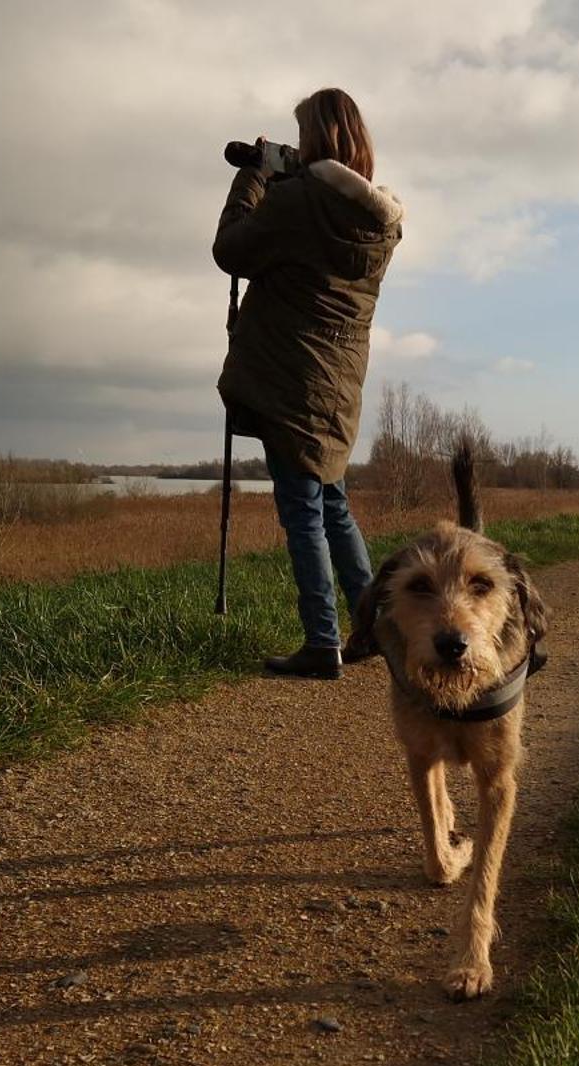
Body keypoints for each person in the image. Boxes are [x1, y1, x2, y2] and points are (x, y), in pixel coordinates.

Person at [214, 88, 404, 680]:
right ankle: (375, 627)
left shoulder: (298, 202)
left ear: (317, 139)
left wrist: (252, 178)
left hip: (291, 379)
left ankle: (322, 642)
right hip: (339, 384)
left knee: (302, 509)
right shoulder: (379, 226)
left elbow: (232, 250)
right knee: (333, 504)